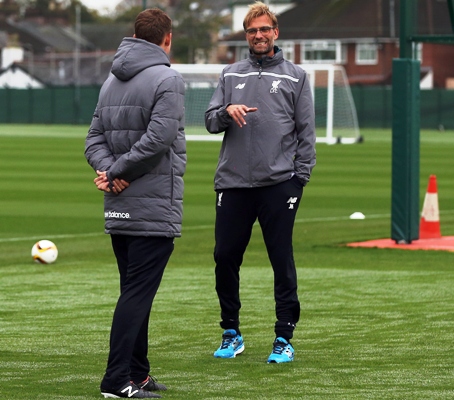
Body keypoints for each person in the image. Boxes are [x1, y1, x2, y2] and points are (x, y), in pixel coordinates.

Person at [205, 1, 316, 364]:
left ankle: (284, 336)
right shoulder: (230, 74)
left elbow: (306, 135)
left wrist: (298, 180)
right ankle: (231, 332)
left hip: (279, 185)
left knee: (280, 258)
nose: (258, 35)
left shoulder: (296, 76)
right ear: (246, 35)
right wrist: (226, 112)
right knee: (225, 257)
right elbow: (209, 121)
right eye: (252, 30)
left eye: (264, 29)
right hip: (233, 183)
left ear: (275, 32)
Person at [85, 8, 186, 398]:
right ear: (167, 38)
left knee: (133, 290)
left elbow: (92, 139)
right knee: (137, 294)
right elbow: (160, 139)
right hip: (153, 204)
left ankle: (139, 373)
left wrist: (110, 171)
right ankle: (116, 380)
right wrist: (118, 171)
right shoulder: (168, 78)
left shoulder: (111, 80)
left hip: (119, 204)